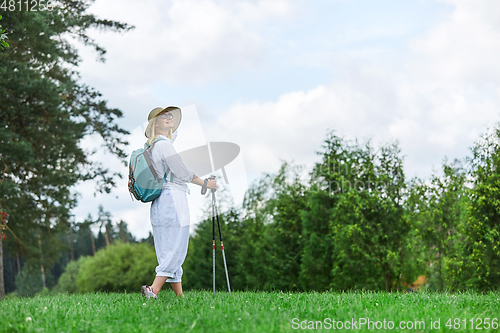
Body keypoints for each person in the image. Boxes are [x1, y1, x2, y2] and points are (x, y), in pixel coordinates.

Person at [141, 106, 216, 299]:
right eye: (163, 116)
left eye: (169, 115)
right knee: (176, 248)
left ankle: (180, 298)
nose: (169, 118)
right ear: (155, 124)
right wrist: (205, 183)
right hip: (173, 200)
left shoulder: (152, 147)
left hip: (159, 203)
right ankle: (153, 290)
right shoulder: (165, 145)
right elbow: (181, 173)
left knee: (168, 248)